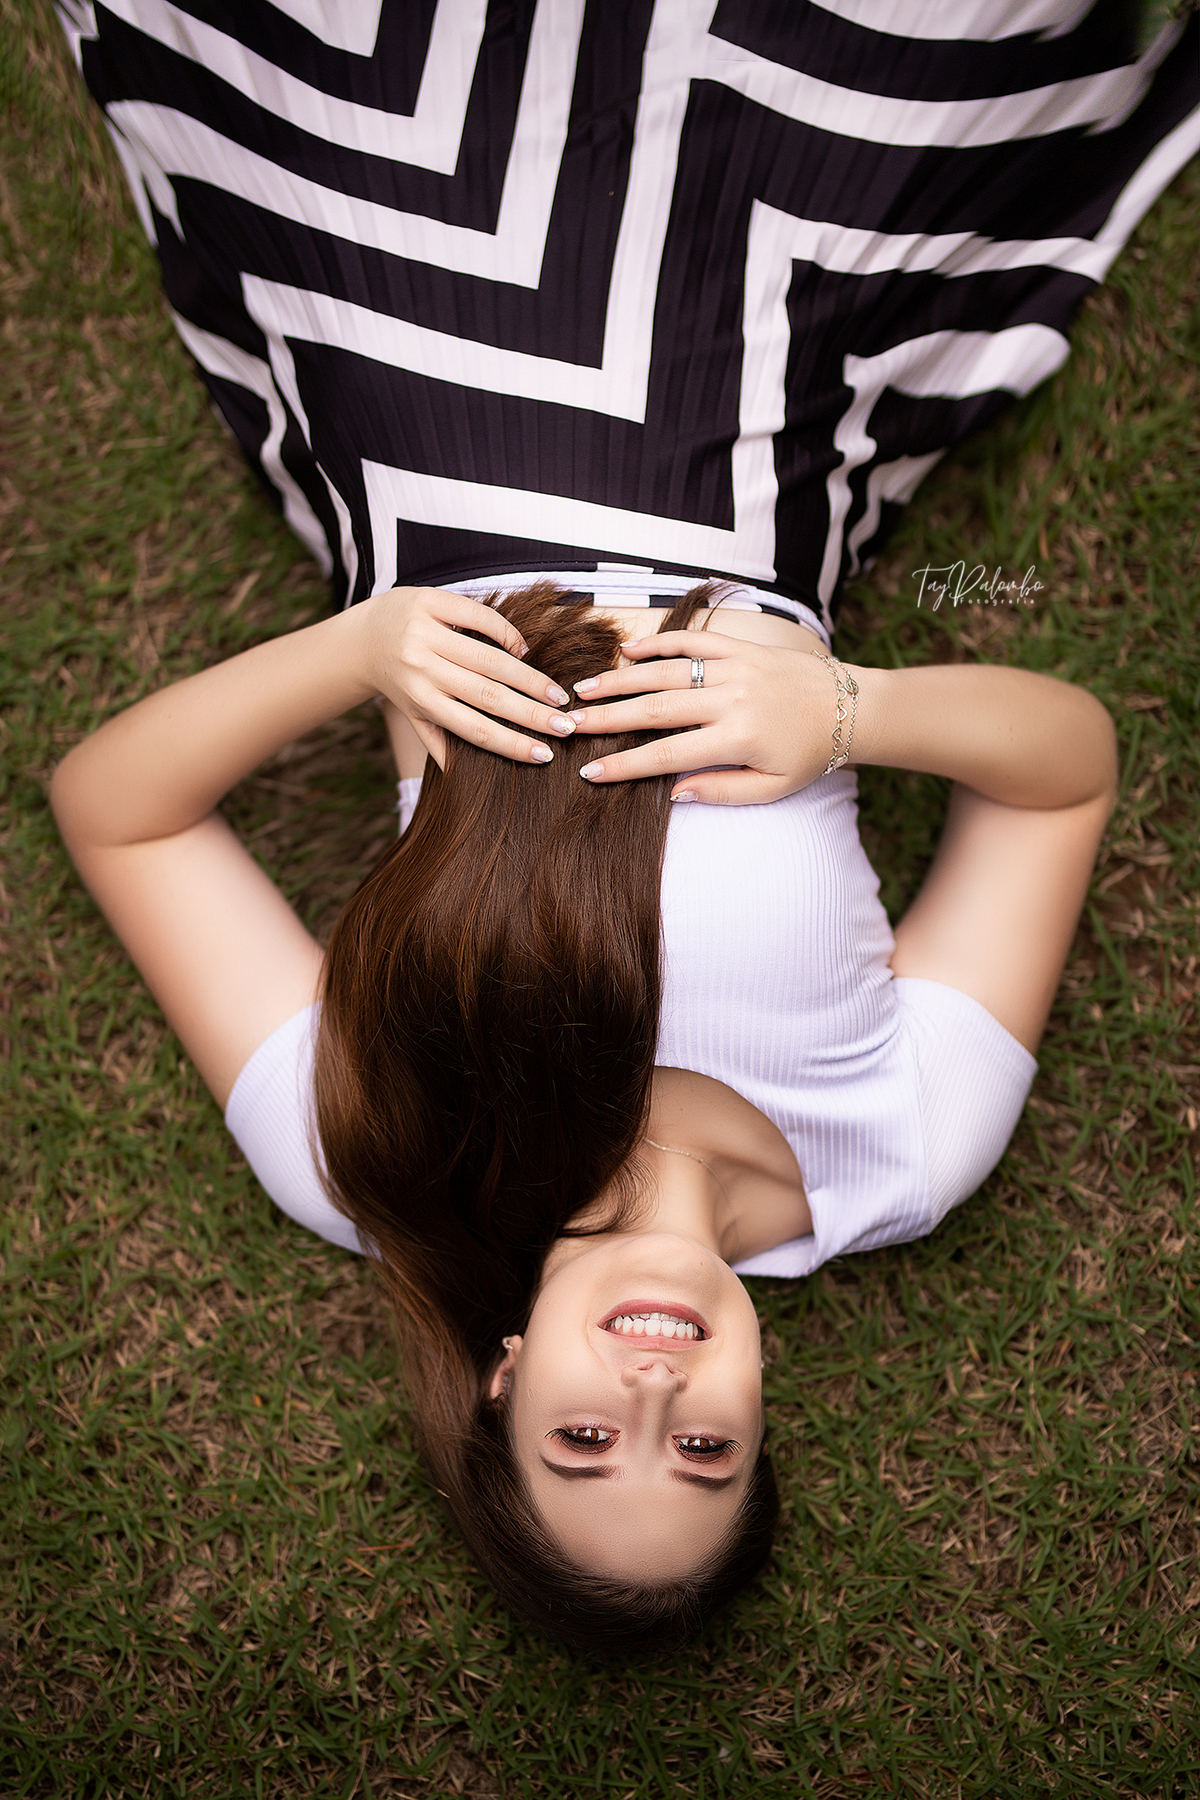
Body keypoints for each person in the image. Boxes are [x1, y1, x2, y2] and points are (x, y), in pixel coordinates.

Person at [51, 1, 1197, 1647]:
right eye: (706, 1447)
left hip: (420, 387)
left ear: (506, 1379)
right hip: (764, 424)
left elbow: (118, 816)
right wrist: (849, 711)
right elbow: (1068, 768)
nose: (655, 1385)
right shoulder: (899, 1151)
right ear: (761, 1410)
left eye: (587, 1439)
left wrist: (365, 647)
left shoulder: (369, 1157)